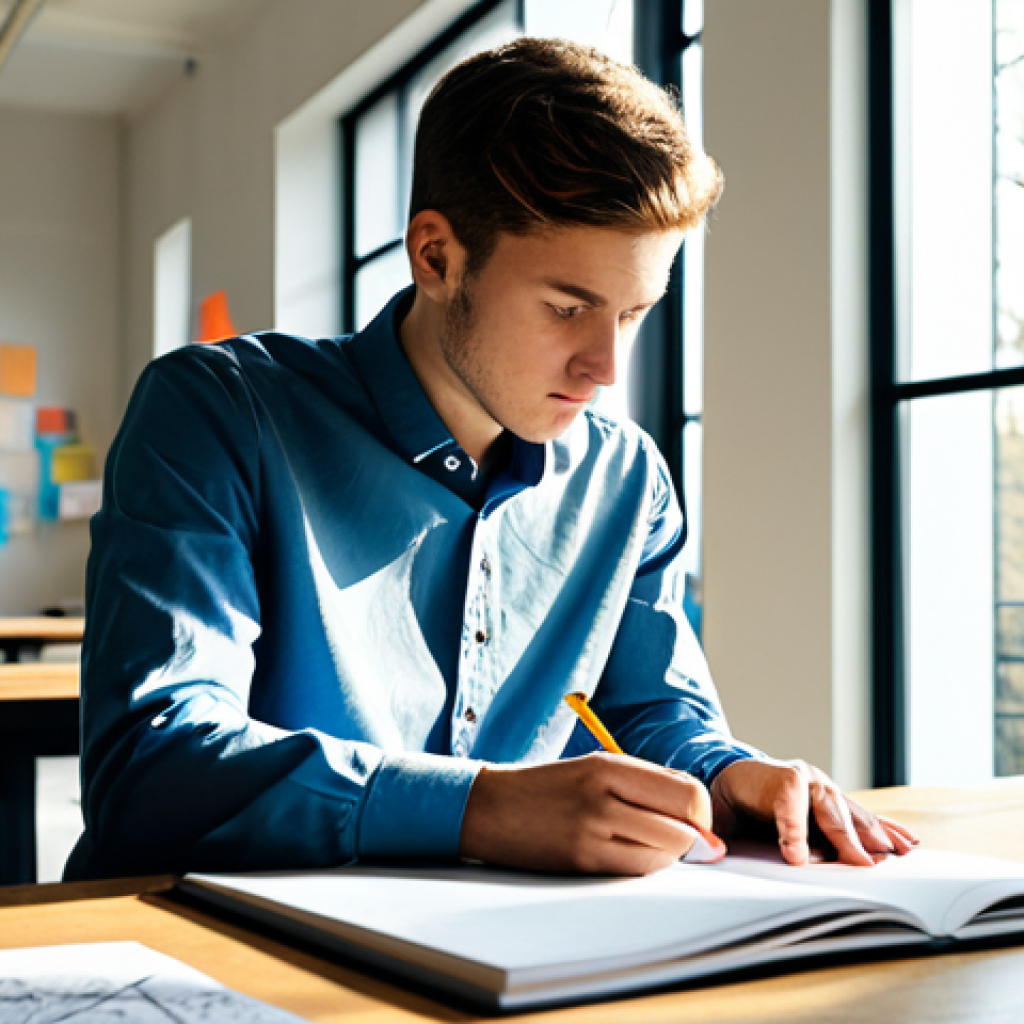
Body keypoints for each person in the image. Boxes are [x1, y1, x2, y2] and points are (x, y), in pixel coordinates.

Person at [65, 38, 914, 882]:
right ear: (437, 256)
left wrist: (730, 776)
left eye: (633, 314)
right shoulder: (216, 411)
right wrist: (486, 807)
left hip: (501, 968)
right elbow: (152, 767)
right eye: (566, 308)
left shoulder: (627, 480)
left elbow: (653, 717)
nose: (605, 367)